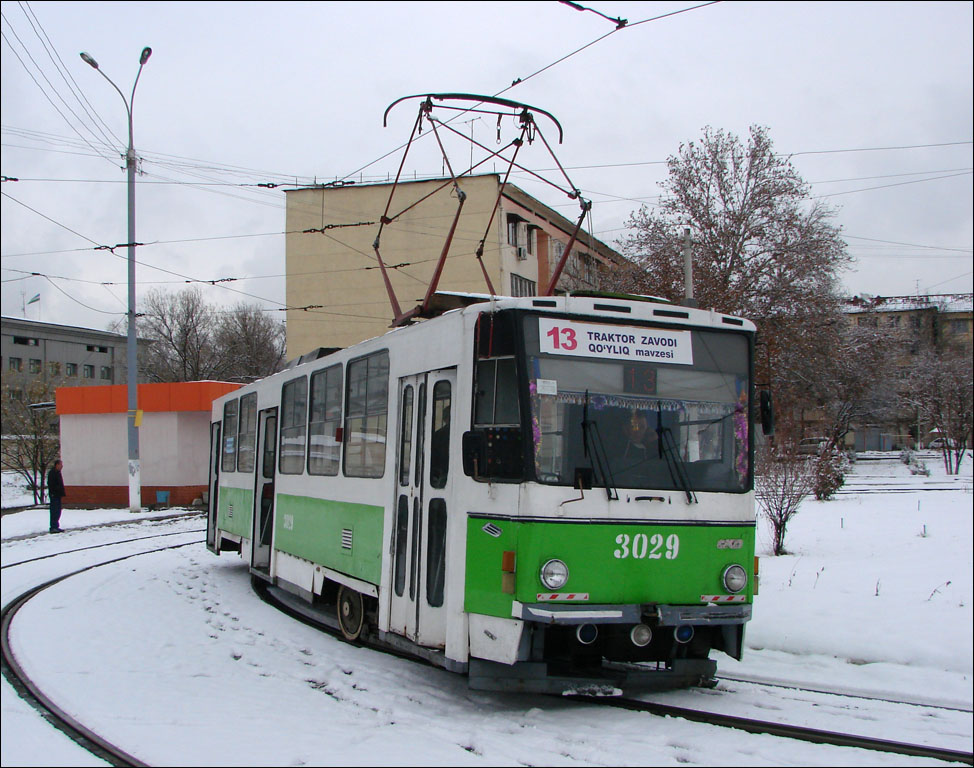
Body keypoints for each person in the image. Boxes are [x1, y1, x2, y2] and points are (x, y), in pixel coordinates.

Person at [47, 459, 66, 533]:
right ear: (57, 465)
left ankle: (56, 526)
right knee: (54, 511)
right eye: (61, 464)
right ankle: (53, 527)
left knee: (58, 511)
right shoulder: (52, 473)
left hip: (57, 495)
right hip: (54, 495)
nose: (62, 466)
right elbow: (52, 485)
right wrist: (56, 491)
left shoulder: (57, 473)